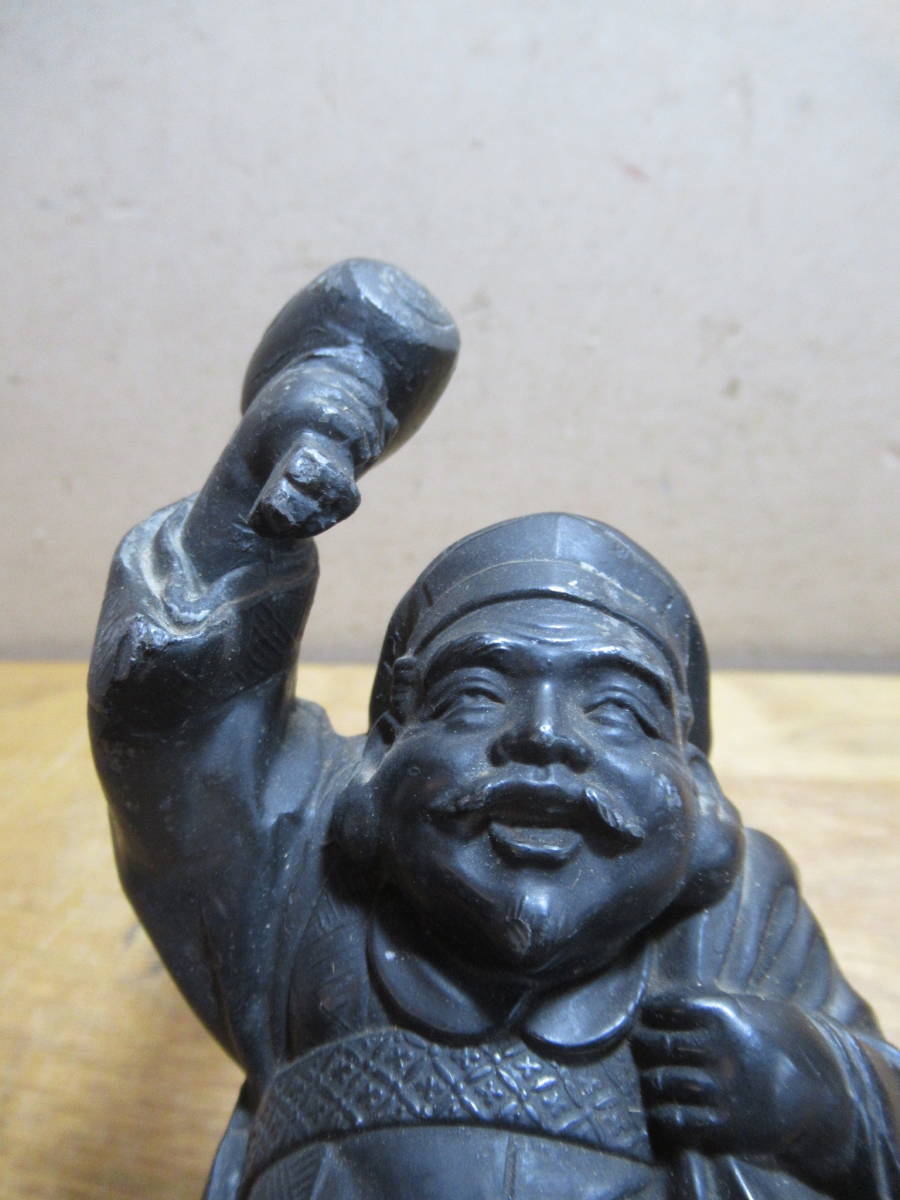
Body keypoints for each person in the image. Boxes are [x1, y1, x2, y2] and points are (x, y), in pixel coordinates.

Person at [89, 262, 898, 1200]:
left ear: (695, 778)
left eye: (618, 709)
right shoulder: (305, 867)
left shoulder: (737, 918)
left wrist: (825, 1098)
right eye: (475, 696)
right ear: (382, 751)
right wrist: (242, 510)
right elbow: (170, 732)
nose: (544, 738)